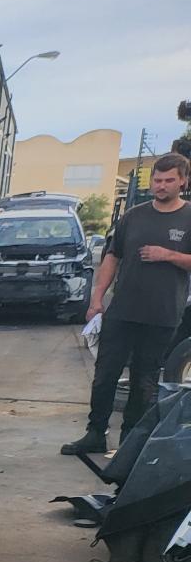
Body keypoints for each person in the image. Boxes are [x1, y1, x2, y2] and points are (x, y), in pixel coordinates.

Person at [62, 152, 191, 454]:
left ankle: (130, 443)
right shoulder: (134, 215)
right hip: (123, 311)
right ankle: (95, 433)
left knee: (144, 381)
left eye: (168, 180)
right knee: (105, 374)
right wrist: (96, 299)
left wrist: (168, 255)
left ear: (183, 181)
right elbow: (112, 256)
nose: (161, 186)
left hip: (161, 314)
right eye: (157, 180)